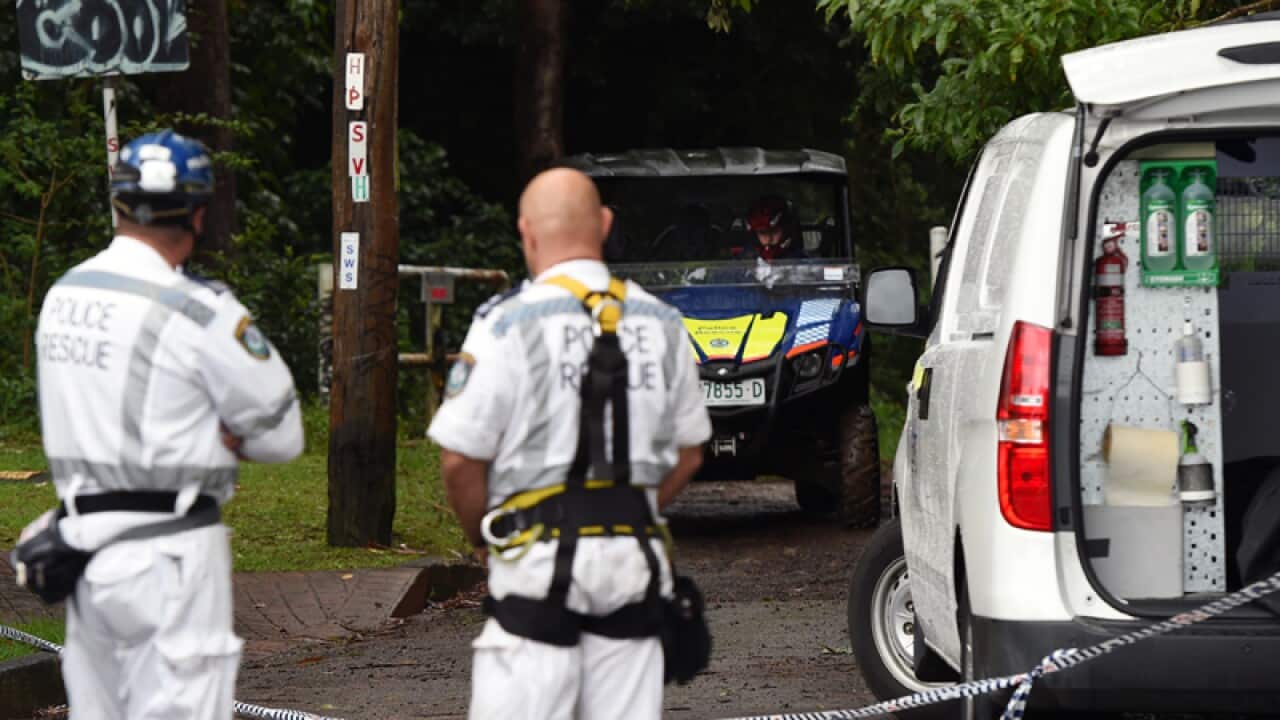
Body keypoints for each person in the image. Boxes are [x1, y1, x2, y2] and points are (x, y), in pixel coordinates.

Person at [27, 130, 304, 719]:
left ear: (119, 204)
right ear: (199, 216)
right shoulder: (200, 312)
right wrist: (222, 431)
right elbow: (283, 437)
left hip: (81, 551)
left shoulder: (63, 294)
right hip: (171, 556)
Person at [428, 167, 711, 719]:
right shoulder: (663, 323)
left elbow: (461, 458)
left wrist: (484, 536)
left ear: (526, 233)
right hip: (634, 572)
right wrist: (634, 508)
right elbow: (691, 449)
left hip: (534, 573)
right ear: (604, 225)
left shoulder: (505, 324)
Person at [745, 194, 806, 262]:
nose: (768, 239)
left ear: (786, 230)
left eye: (774, 231)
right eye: (762, 233)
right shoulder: (745, 262)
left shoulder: (802, 264)